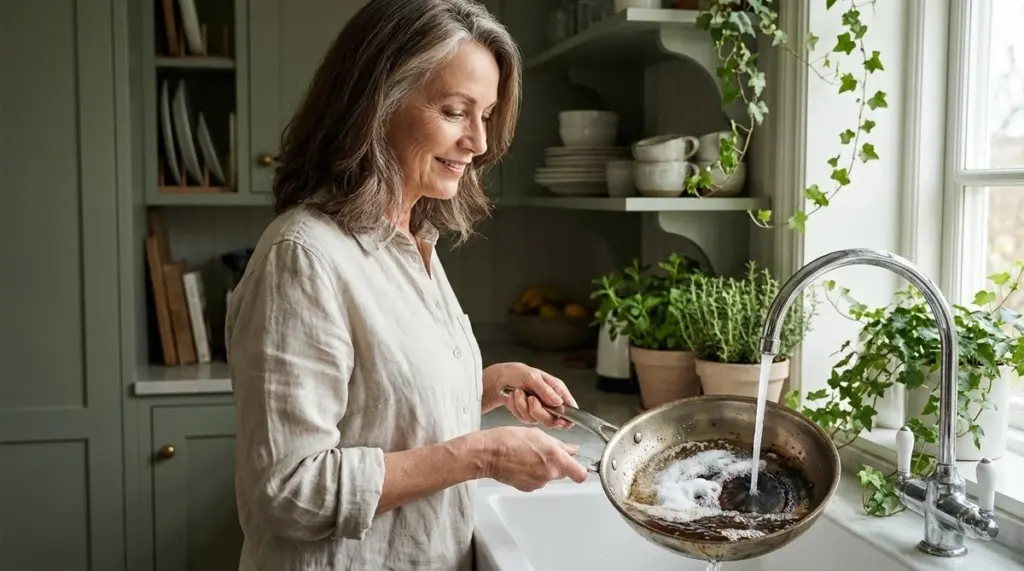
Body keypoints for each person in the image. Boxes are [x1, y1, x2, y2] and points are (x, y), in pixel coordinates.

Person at [224, 0, 589, 569]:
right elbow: (286, 490)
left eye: (486, 114)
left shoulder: (410, 240)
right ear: (375, 106)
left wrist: (487, 387)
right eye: (453, 111)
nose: (479, 142)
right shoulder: (304, 256)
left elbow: (379, 413)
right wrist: (483, 455)